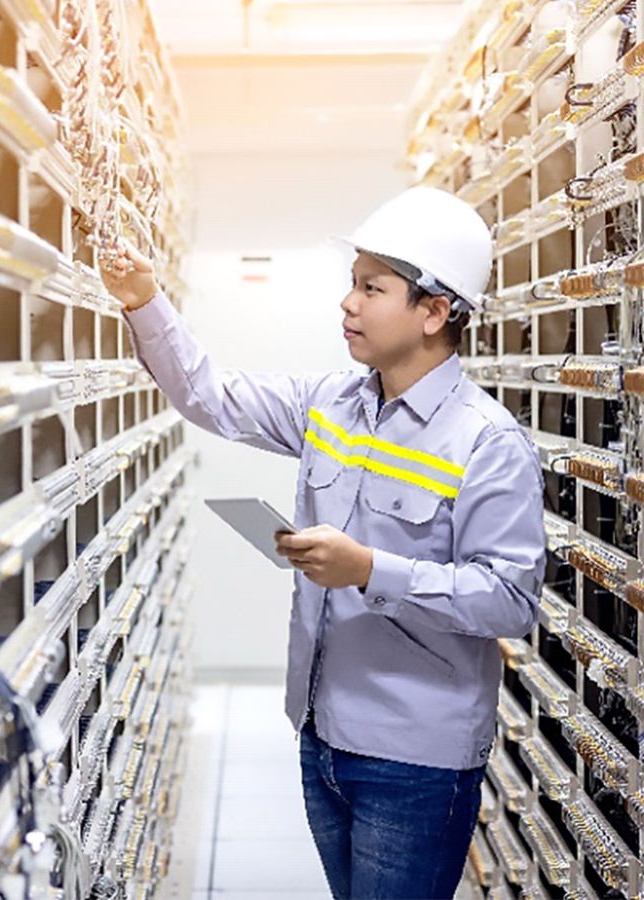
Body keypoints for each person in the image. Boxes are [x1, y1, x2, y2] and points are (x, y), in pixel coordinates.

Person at [101, 185, 546, 900]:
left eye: (373, 288)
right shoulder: (331, 405)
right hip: (322, 732)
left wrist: (370, 569)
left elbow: (510, 600)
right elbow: (210, 395)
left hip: (417, 758)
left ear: (434, 311)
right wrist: (144, 300)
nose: (349, 303)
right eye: (352, 284)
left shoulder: (487, 443)